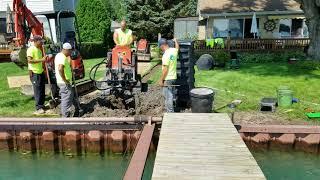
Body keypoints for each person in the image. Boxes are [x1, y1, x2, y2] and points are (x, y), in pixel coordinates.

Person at [55, 43, 80, 117]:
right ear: (66, 50)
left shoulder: (60, 55)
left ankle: (77, 109)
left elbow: (65, 67)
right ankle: (65, 118)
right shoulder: (62, 57)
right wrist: (65, 80)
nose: (70, 53)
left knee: (70, 95)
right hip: (64, 83)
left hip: (63, 82)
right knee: (66, 100)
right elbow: (60, 68)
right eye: (69, 51)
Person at [27, 35, 48, 115]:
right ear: (35, 41)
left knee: (42, 89)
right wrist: (41, 59)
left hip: (40, 72)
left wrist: (44, 62)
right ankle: (38, 108)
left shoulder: (39, 50)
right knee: (37, 91)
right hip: (35, 73)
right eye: (40, 41)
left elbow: (40, 61)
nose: (42, 43)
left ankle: (41, 105)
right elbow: (29, 60)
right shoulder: (31, 49)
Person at [158, 38, 179, 113]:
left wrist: (161, 80)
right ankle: (170, 109)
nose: (160, 48)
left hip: (168, 78)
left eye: (160, 46)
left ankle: (170, 113)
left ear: (162, 45)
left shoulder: (166, 55)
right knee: (168, 94)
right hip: (173, 77)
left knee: (168, 96)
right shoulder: (173, 51)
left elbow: (165, 69)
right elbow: (177, 48)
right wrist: (176, 41)